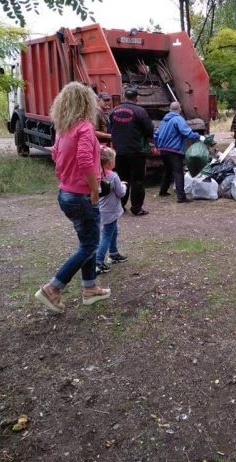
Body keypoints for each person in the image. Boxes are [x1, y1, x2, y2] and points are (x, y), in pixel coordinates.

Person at [35, 82, 111, 312]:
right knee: (91, 245)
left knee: (86, 242)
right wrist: (94, 189)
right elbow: (85, 161)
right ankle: (53, 289)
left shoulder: (63, 129)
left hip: (66, 194)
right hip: (81, 196)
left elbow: (57, 157)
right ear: (85, 102)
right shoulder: (84, 128)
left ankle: (90, 289)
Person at [109, 87, 154, 216]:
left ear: (124, 97)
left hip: (120, 151)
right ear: (137, 98)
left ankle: (121, 206)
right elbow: (149, 130)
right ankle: (137, 208)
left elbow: (110, 128)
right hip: (136, 152)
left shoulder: (114, 111)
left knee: (122, 179)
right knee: (137, 180)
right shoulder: (140, 111)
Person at [154, 101, 205, 203]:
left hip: (163, 150)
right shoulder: (178, 119)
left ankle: (163, 191)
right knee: (178, 173)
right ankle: (181, 197)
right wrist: (199, 136)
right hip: (174, 150)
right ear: (179, 109)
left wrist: (157, 146)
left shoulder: (164, 121)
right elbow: (186, 132)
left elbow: (156, 134)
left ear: (170, 109)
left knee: (168, 170)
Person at [96, 147, 128, 274]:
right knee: (106, 235)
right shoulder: (113, 176)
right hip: (110, 211)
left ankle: (114, 254)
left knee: (113, 230)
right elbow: (120, 193)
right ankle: (98, 262)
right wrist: (124, 186)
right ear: (110, 162)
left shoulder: (97, 175)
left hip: (101, 209)